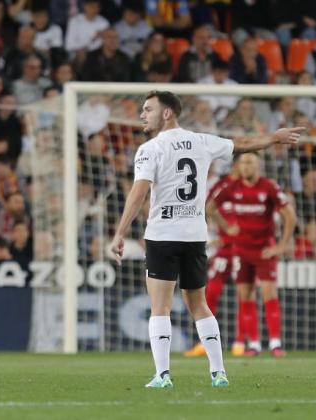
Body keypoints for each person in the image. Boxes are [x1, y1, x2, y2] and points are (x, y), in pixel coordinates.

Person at [109, 90, 303, 388]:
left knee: (160, 307)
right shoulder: (202, 141)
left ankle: (162, 375)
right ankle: (218, 372)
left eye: (148, 109)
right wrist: (273, 138)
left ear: (167, 113)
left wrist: (120, 232)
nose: (142, 114)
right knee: (199, 304)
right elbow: (244, 145)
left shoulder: (150, 148)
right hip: (195, 237)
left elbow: (139, 192)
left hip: (162, 235)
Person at [207, 153, 297, 357]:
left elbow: (289, 215)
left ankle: (275, 343)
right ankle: (254, 344)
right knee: (245, 296)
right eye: (242, 163)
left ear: (259, 166)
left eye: (250, 162)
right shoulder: (232, 187)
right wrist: (227, 228)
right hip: (240, 250)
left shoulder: (269, 187)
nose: (245, 166)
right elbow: (210, 207)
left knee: (269, 294)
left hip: (264, 250)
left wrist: (281, 245)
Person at [183, 162, 245, 358]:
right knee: (210, 293)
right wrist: (222, 231)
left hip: (245, 248)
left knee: (245, 294)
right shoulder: (222, 186)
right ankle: (204, 341)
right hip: (225, 248)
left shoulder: (255, 185)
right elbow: (208, 209)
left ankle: (241, 342)